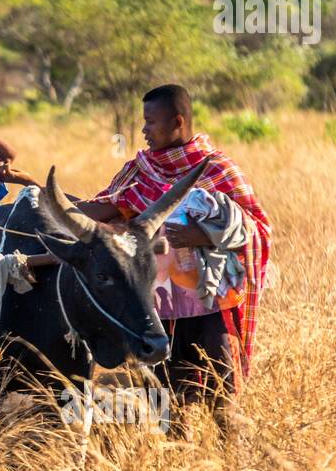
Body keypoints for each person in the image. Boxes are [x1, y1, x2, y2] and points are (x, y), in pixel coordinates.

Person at [78, 84, 272, 428]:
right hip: (159, 306)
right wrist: (49, 202)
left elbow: (255, 228)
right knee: (165, 401)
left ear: (177, 122)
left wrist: (202, 235)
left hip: (210, 306)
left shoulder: (217, 169)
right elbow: (107, 206)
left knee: (222, 399)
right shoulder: (140, 171)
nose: (144, 131)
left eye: (150, 123)